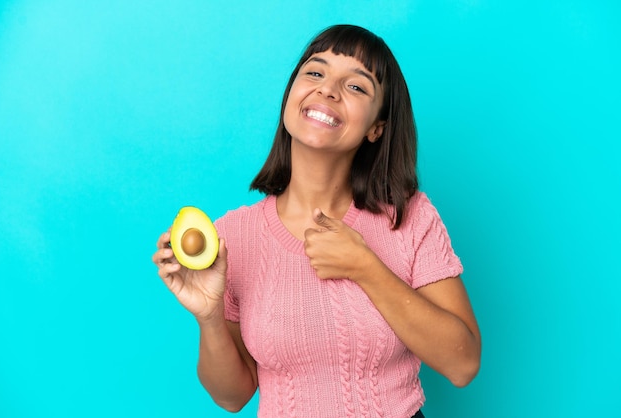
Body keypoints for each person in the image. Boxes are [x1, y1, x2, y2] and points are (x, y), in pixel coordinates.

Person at [152, 24, 481, 418]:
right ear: (292, 95)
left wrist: (366, 268)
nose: (328, 89)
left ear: (377, 127)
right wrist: (209, 318)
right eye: (315, 72)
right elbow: (232, 396)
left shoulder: (409, 218)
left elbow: (463, 365)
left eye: (356, 86)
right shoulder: (233, 237)